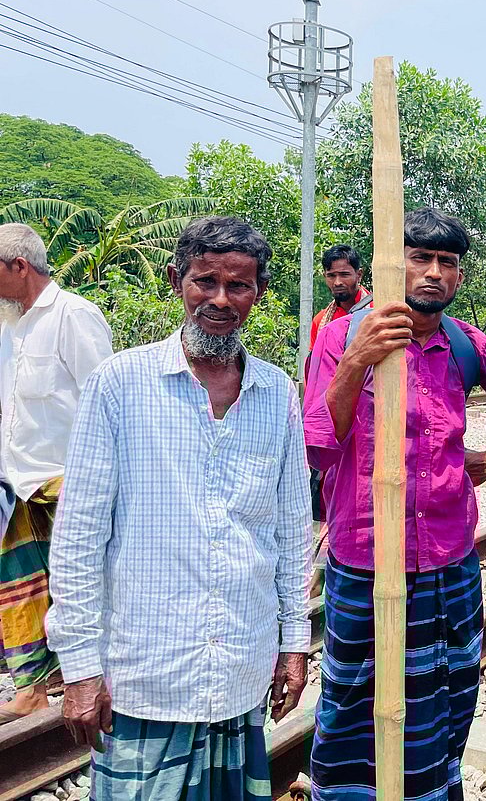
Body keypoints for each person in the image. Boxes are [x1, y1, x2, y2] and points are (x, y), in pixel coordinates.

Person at [45, 217, 310, 798]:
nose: (219, 299)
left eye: (237, 286)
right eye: (204, 281)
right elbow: (78, 538)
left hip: (240, 666)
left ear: (259, 293)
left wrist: (294, 642)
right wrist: (82, 669)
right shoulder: (119, 385)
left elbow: (292, 532)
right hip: (147, 674)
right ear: (176, 282)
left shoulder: (276, 393)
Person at [304, 207, 486, 800]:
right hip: (365, 559)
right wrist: (358, 361)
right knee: (350, 702)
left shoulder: (466, 345)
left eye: (448, 263)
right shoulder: (342, 336)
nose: (434, 273)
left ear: (459, 277)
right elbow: (318, 446)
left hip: (448, 559)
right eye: (421, 258)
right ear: (393, 266)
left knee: (446, 696)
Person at [0, 223, 112, 724]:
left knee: (77, 587)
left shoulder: (74, 316)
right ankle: (29, 688)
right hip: (17, 482)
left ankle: (84, 676)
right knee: (19, 586)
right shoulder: (9, 327)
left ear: (19, 267)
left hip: (67, 481)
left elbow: (107, 402)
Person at [311, 244, 370, 345]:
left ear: (359, 275)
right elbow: (316, 359)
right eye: (331, 276)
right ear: (325, 276)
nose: (337, 282)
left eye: (344, 275)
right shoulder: (320, 321)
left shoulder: (378, 309)